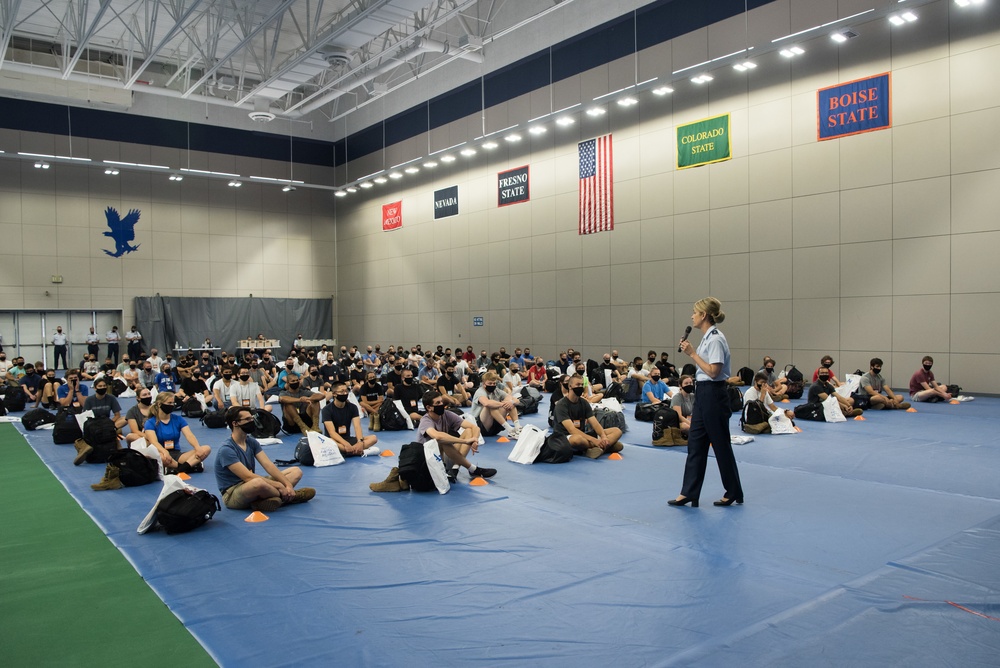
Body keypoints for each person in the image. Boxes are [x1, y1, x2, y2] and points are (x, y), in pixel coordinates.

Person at [670, 297, 744, 508]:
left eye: (695, 312)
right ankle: (689, 492)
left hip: (714, 394)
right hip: (702, 393)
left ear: (704, 315)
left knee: (720, 444)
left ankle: (733, 491)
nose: (692, 316)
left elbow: (714, 371)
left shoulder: (715, 339)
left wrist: (692, 354)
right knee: (695, 443)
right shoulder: (706, 338)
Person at [215, 406, 315, 512]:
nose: (252, 421)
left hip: (250, 484)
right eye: (247, 419)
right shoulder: (226, 450)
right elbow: (248, 477)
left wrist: (287, 484)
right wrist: (279, 485)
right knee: (258, 483)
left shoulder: (251, 442)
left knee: (296, 471)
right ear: (235, 423)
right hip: (233, 493)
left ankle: (265, 501)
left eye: (252, 418)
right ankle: (292, 497)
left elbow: (268, 465)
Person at [552, 373, 623, 458]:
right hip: (565, 436)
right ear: (570, 386)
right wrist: (595, 440)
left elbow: (595, 423)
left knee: (617, 431)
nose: (580, 387)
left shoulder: (584, 402)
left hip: (583, 434)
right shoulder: (561, 405)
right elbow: (572, 430)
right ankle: (604, 446)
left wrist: (603, 436)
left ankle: (594, 448)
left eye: (582, 384)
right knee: (577, 439)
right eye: (578, 384)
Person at [143, 392, 211, 471]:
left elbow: (189, 435)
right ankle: (190, 466)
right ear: (159, 404)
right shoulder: (150, 422)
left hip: (177, 454)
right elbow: (154, 442)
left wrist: (197, 447)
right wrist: (164, 451)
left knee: (206, 449)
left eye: (173, 403)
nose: (172, 405)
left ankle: (179, 468)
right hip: (161, 453)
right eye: (169, 403)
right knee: (162, 458)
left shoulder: (178, 419)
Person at [321, 383, 380, 457]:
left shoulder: (353, 407)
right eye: (342, 391)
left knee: (373, 438)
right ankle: (356, 451)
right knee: (329, 442)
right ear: (334, 394)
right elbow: (332, 433)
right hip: (335, 440)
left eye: (346, 391)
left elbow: (357, 427)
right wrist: (346, 444)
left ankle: (350, 451)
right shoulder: (326, 410)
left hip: (348, 439)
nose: (345, 393)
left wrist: (360, 442)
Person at [471, 371, 521, 438]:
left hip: (495, 426)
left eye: (494, 383)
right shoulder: (480, 392)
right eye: (490, 383)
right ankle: (509, 429)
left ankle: (518, 428)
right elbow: (486, 403)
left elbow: (516, 400)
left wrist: (510, 402)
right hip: (481, 427)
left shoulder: (496, 391)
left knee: (511, 403)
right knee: (490, 405)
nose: (492, 385)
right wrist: (502, 404)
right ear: (484, 384)